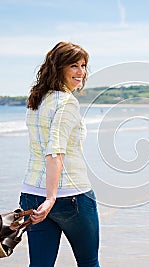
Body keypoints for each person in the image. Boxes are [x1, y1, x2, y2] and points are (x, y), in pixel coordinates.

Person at [19, 41, 100, 267]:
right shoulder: (66, 103)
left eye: (83, 66)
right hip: (69, 196)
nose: (81, 72)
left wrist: (44, 199)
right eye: (74, 65)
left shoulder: (37, 99)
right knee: (89, 263)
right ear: (58, 68)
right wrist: (51, 198)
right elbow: (55, 150)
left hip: (31, 194)